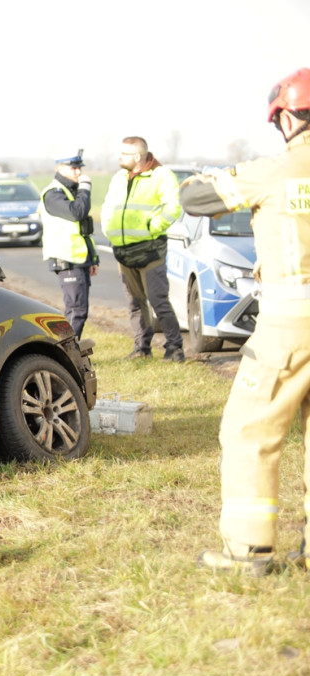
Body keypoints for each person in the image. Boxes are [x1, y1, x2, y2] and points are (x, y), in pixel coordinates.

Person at [181, 67, 310, 574]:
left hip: (292, 318)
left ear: (284, 117)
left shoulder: (277, 169)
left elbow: (195, 198)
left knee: (248, 429)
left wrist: (212, 175)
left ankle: (249, 551)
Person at [101, 136, 185, 361]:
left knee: (158, 300)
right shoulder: (119, 177)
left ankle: (174, 348)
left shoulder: (161, 176)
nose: (119, 157)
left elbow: (173, 207)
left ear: (138, 156)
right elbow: (109, 206)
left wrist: (153, 226)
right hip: (123, 250)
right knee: (134, 302)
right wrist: (108, 227)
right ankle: (141, 348)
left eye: (124, 154)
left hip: (150, 250)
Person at [39, 150, 99, 338]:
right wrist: (85, 189)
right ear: (59, 168)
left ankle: (69, 353)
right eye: (73, 168)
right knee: (76, 310)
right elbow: (77, 213)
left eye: (79, 167)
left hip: (80, 260)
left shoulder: (71, 191)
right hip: (67, 259)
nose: (78, 172)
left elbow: (83, 229)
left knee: (80, 310)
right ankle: (66, 354)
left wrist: (92, 258)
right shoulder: (53, 194)